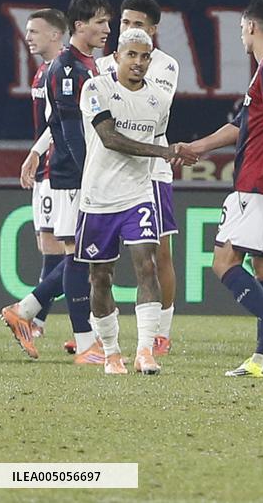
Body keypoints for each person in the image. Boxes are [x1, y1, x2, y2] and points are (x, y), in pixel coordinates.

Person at [181, 0, 263, 377]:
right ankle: (261, 356)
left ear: (252, 26)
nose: (240, 35)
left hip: (259, 182)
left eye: (241, 28)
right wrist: (197, 148)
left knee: (224, 263)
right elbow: (244, 125)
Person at [76, 29, 197, 374]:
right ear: (116, 57)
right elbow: (110, 138)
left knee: (148, 266)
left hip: (138, 194)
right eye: (131, 55)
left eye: (145, 56)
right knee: (101, 277)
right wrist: (165, 152)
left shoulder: (159, 100)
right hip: (98, 198)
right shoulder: (96, 88)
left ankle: (146, 351)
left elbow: (157, 135)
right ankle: (112, 353)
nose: (139, 63)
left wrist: (164, 154)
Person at [2, 0, 111, 366]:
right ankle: (81, 341)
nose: (107, 30)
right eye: (101, 22)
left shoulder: (86, 65)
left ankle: (34, 314)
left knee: (84, 257)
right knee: (78, 257)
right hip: (72, 175)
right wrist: (87, 171)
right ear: (78, 26)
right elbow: (64, 128)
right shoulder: (66, 69)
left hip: (77, 173)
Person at [94, 0, 181, 355]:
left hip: (151, 169)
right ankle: (97, 334)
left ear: (154, 29)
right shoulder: (104, 64)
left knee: (158, 254)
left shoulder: (164, 65)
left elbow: (145, 109)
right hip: (107, 174)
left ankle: (160, 333)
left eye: (138, 24)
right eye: (125, 22)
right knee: (102, 263)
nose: (130, 29)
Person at [6, 9, 70, 358]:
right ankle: (36, 318)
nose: (28, 36)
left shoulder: (63, 70)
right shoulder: (44, 72)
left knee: (71, 251)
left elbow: (61, 122)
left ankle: (35, 317)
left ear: (56, 35)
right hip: (50, 172)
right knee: (57, 250)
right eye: (27, 30)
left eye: (35, 31)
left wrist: (35, 152)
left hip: (60, 171)